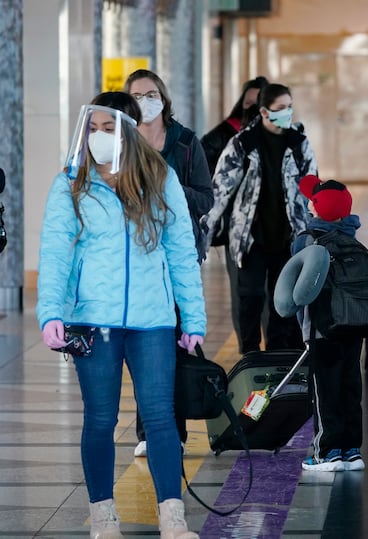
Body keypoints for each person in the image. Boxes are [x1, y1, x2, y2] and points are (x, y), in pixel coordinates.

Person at [37, 92, 205, 538]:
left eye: (107, 129)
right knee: (99, 419)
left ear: (129, 131)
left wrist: (194, 319)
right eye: (92, 128)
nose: (97, 137)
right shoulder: (72, 181)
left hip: (152, 320)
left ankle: (173, 517)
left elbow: (182, 253)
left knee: (160, 416)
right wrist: (50, 312)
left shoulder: (160, 177)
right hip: (95, 319)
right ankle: (103, 515)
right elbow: (55, 252)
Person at [122, 69, 214, 458]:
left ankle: (172, 430)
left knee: (174, 344)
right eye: (137, 96)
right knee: (146, 345)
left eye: (151, 93)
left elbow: (206, 198)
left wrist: (168, 190)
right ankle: (150, 430)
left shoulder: (187, 142)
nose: (146, 101)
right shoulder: (120, 144)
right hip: (136, 259)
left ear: (163, 96)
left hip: (177, 257)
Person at [202, 83, 316, 353]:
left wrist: (315, 227)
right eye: (280, 109)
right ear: (264, 112)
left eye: (289, 107)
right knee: (250, 297)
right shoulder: (242, 144)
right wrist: (203, 235)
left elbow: (312, 185)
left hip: (288, 235)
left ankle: (278, 352)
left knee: (282, 300)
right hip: (250, 237)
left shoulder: (299, 143)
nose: (287, 113)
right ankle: (249, 352)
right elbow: (220, 191)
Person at [292, 175, 367, 471]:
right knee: (350, 387)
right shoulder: (352, 237)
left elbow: (295, 290)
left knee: (325, 389)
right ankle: (352, 450)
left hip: (321, 329)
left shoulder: (306, 239)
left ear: (315, 207)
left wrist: (303, 330)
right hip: (353, 326)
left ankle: (326, 450)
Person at [201, 75, 270, 355]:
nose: (252, 109)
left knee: (273, 294)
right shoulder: (223, 135)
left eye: (259, 103)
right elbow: (205, 176)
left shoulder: (282, 136)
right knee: (245, 292)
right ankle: (249, 351)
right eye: (248, 102)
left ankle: (276, 348)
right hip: (237, 231)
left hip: (273, 229)